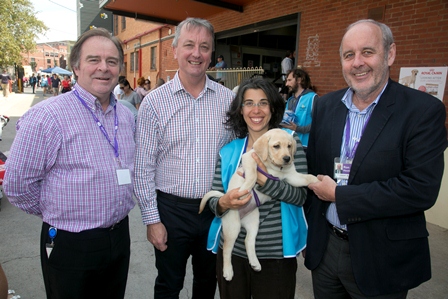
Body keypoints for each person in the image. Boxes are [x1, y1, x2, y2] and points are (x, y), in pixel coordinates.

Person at [305, 19, 447, 299]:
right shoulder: (325, 106)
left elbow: (420, 189)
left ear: (390, 54)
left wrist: (339, 196)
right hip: (326, 250)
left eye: (367, 52)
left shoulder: (422, 111)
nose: (357, 62)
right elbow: (313, 169)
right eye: (349, 55)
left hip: (381, 257)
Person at [4, 27, 136, 299]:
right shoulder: (47, 116)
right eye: (93, 60)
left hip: (119, 235)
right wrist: (58, 210)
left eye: (112, 61)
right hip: (69, 241)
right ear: (76, 67)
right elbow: (17, 186)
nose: (104, 68)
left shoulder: (126, 116)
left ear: (120, 67)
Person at [134, 17, 235, 299]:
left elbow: (238, 155)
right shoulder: (154, 103)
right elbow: (142, 169)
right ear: (174, 50)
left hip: (214, 210)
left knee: (207, 283)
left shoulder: (228, 101)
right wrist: (152, 220)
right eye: (189, 45)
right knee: (168, 285)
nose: (197, 53)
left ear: (211, 54)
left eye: (204, 47)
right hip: (171, 212)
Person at [205, 77, 308, 299]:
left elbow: (300, 197)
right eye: (249, 103)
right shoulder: (229, 150)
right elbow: (215, 203)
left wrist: (264, 182)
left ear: (272, 107)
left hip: (276, 255)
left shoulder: (289, 142)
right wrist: (224, 202)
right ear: (240, 110)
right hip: (234, 255)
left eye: (263, 102)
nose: (256, 109)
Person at [280, 68, 318, 151]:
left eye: (289, 80)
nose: (286, 84)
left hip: (305, 146)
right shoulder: (290, 100)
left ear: (299, 80)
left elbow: (318, 123)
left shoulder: (312, 97)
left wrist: (298, 129)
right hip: (289, 145)